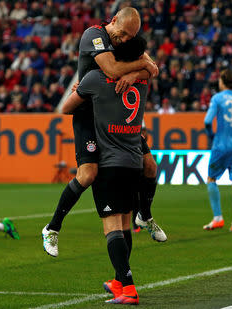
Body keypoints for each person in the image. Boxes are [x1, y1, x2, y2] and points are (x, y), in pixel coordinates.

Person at [42, 7, 166, 258]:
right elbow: (111, 70)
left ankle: (145, 215)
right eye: (121, 34)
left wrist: (134, 73)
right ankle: (52, 227)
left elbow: (154, 69)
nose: (124, 40)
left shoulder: (126, 42)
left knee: (150, 166)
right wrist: (141, 64)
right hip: (88, 113)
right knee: (88, 174)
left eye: (130, 37)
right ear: (112, 22)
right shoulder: (93, 36)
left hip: (113, 114)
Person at [61, 35, 148, 305]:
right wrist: (138, 70)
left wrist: (83, 90)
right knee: (124, 224)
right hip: (134, 161)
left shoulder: (96, 79)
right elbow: (149, 67)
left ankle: (128, 287)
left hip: (109, 162)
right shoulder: (143, 79)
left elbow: (66, 108)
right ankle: (119, 281)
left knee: (111, 228)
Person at [203, 69, 232, 233]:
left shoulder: (218, 98)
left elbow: (207, 121)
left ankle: (218, 218)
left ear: (222, 82)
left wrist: (211, 136)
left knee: (211, 179)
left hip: (221, 145)